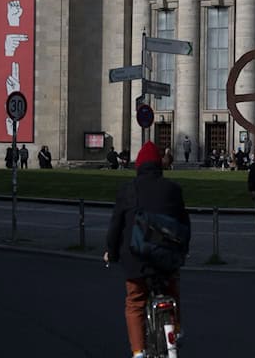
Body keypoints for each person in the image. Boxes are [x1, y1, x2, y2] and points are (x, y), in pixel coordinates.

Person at [104, 141, 190, 358]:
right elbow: (184, 224)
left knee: (135, 303)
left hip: (136, 258)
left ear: (139, 165)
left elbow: (116, 227)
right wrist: (183, 252)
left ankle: (138, 352)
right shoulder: (173, 189)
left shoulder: (128, 190)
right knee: (172, 289)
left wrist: (111, 253)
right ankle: (176, 330)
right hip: (166, 257)